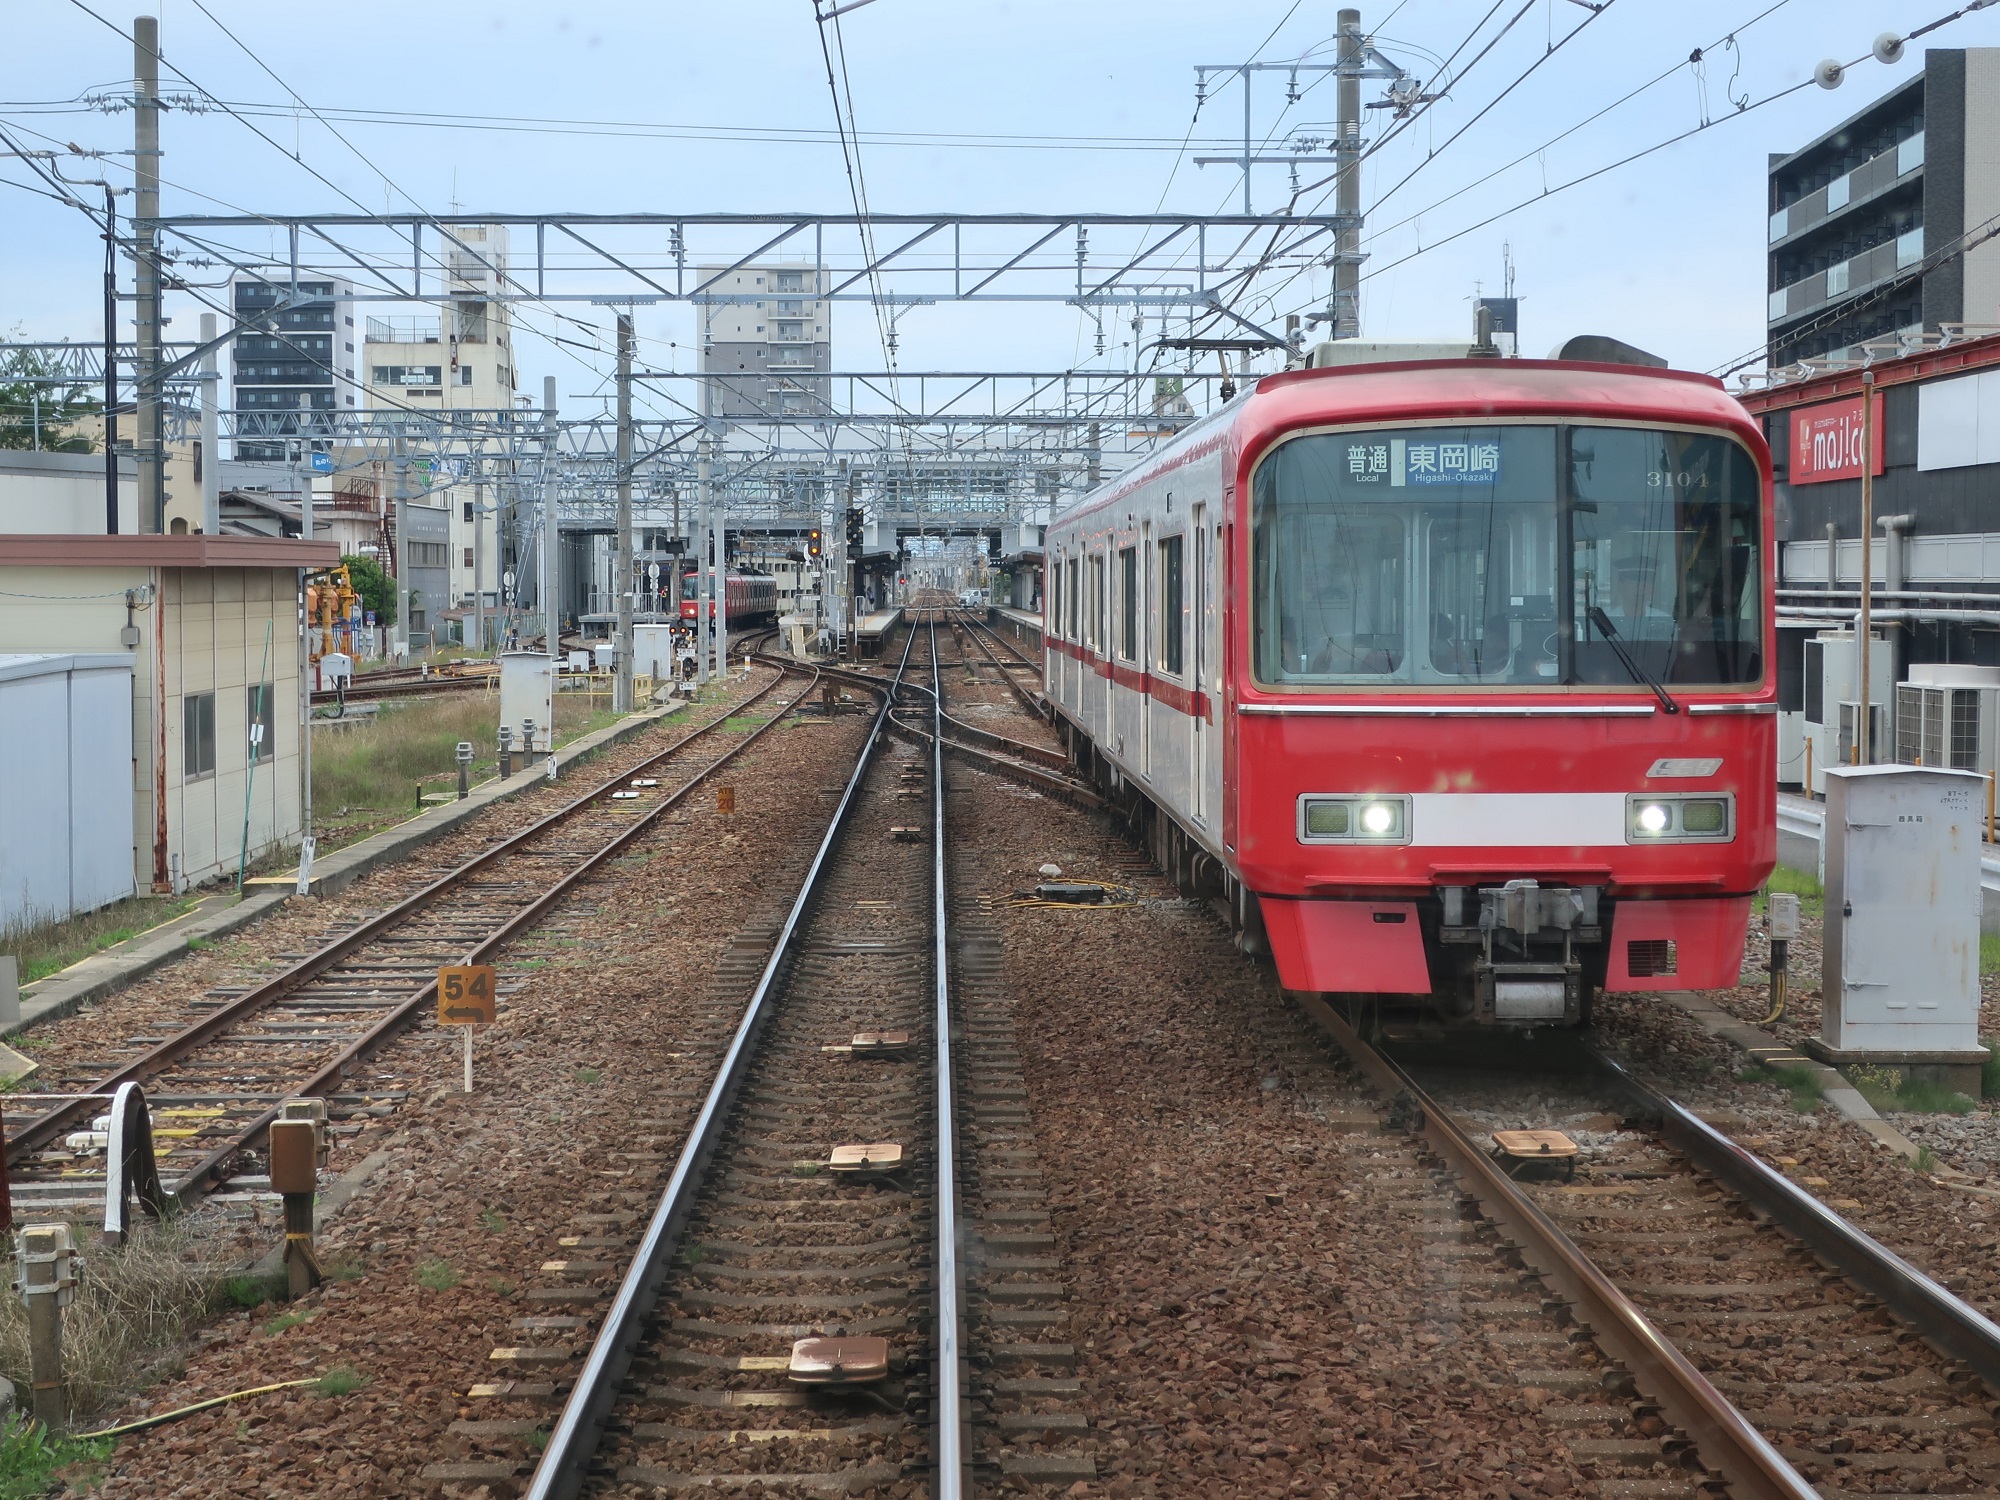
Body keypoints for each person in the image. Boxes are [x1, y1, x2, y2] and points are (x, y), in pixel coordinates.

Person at [1598, 548, 1675, 641]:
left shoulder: (1665, 621)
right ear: (1620, 586)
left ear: (1652, 588)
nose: (1641, 588)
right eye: (1634, 583)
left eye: (1646, 584)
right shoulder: (1607, 622)